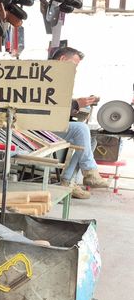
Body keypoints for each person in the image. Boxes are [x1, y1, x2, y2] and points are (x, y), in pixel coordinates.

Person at [50, 47, 109, 198]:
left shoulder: (58, 78)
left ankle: (68, 181)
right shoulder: (46, 75)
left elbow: (56, 105)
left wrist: (77, 105)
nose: (75, 70)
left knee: (91, 139)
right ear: (63, 59)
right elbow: (48, 105)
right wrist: (76, 104)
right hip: (38, 127)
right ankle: (90, 172)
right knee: (81, 129)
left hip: (50, 123)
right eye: (74, 65)